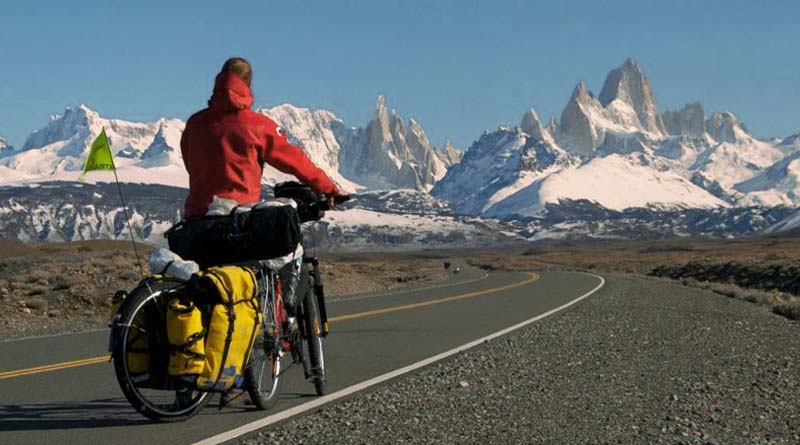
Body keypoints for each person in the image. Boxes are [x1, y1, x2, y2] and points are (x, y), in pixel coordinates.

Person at [180, 57, 343, 218]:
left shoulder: (194, 124)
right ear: (248, 85)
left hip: (196, 224)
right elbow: (294, 160)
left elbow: (190, 165)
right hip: (237, 222)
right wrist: (328, 188)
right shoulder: (258, 126)